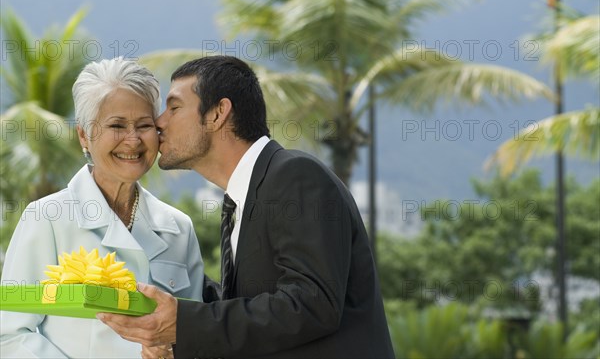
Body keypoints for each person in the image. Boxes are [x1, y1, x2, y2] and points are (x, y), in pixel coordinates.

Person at [98, 55, 395, 359]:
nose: (159, 122)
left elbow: (311, 303)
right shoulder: (240, 202)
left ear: (218, 114)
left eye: (174, 107)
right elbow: (255, 314)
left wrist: (182, 323)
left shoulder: (295, 177)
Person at [0, 58, 204, 359]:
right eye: (117, 125)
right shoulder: (47, 218)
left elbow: (197, 331)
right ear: (84, 135)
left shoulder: (179, 228)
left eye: (145, 125)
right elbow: (10, 334)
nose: (133, 140)